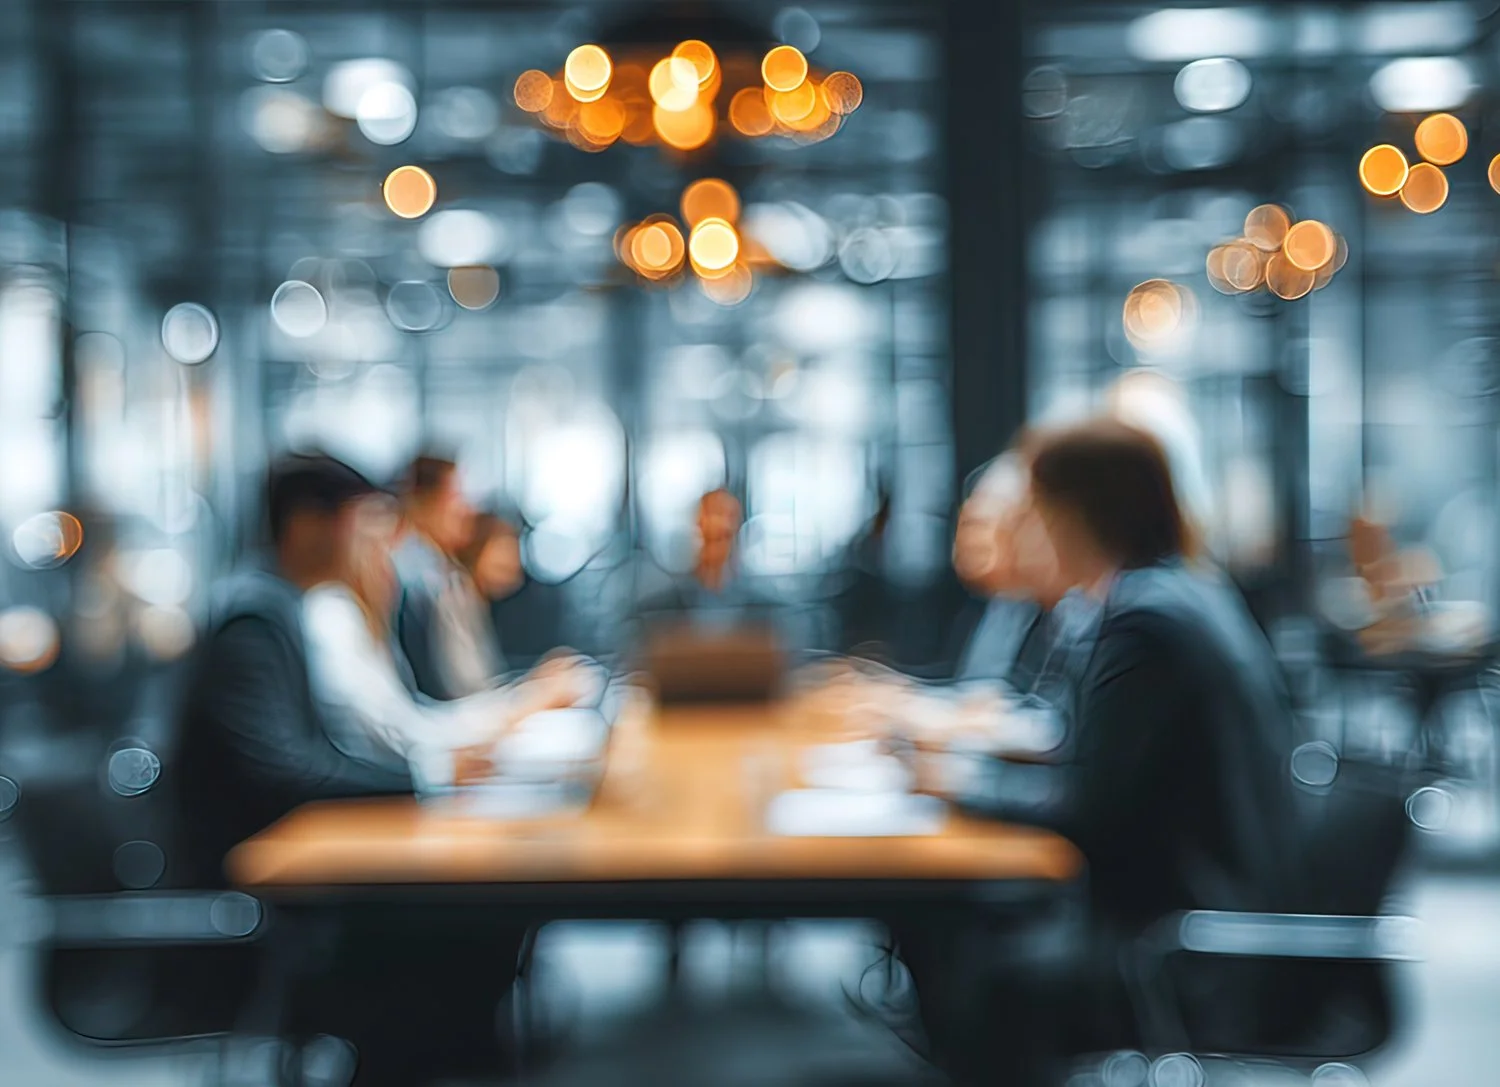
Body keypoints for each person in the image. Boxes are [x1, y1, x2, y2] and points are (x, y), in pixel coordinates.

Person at [898, 419, 1302, 1085]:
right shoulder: (1178, 591)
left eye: (1033, 514)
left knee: (977, 955)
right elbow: (1100, 767)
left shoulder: (1141, 621)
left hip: (1181, 943)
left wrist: (955, 790)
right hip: (1216, 902)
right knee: (964, 928)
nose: (1025, 535)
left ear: (1074, 514)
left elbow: (1091, 805)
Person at [177, 454, 418, 885]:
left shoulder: (283, 605)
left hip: (283, 864)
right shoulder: (253, 622)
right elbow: (282, 772)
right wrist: (418, 784)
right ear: (306, 525)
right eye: (362, 525)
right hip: (246, 887)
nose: (376, 547)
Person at [301, 493, 586, 792]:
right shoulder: (334, 614)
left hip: (396, 786)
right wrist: (519, 707)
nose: (392, 566)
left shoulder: (362, 617)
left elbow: (411, 721)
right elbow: (396, 735)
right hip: (374, 797)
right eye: (382, 549)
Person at [393, 452, 504, 700]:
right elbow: (449, 690)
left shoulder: (444, 572)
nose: (467, 510)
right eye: (456, 498)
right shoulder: (413, 580)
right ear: (421, 503)